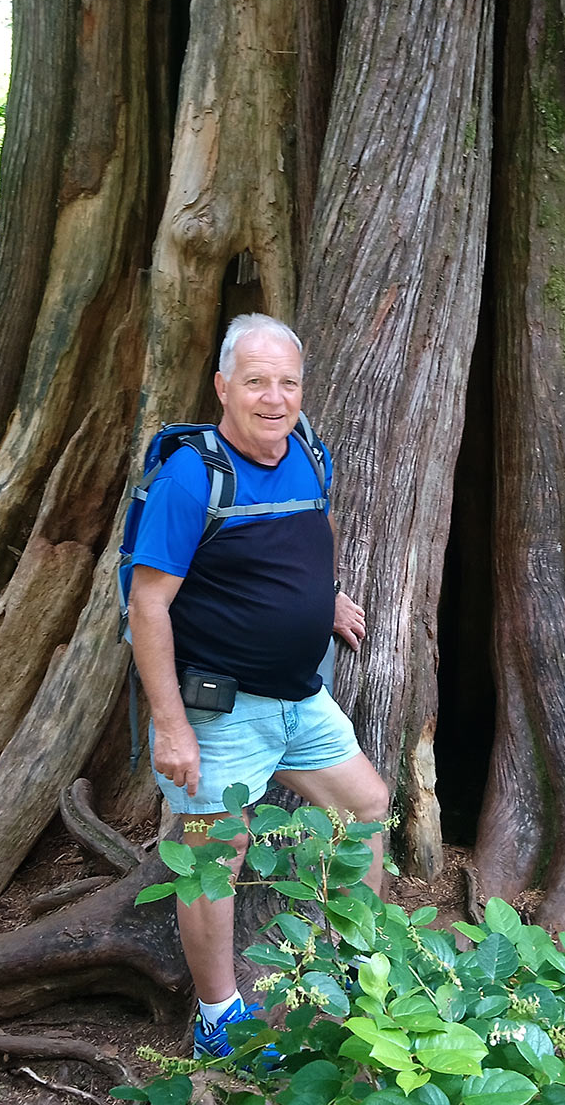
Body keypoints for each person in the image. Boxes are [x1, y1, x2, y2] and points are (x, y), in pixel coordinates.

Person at [127, 312, 389, 1061]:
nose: (274, 397)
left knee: (366, 809)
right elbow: (149, 604)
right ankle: (218, 1017)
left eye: (287, 382)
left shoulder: (306, 448)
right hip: (220, 708)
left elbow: (313, 528)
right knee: (215, 852)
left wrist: (324, 597)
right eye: (256, 382)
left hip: (302, 699)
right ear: (222, 386)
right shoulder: (190, 477)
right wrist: (170, 725)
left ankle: (352, 970)